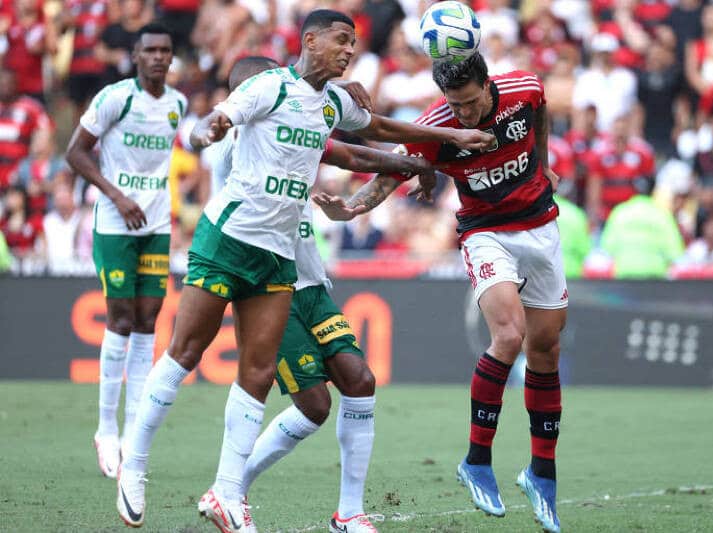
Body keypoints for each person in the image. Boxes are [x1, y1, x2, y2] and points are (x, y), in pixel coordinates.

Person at [115, 10, 493, 531]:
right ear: (309, 41)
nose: (350, 50)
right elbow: (222, 115)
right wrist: (208, 129)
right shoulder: (268, 88)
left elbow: (376, 130)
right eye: (341, 40)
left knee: (258, 373)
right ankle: (133, 464)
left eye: (355, 43)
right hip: (227, 239)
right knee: (184, 353)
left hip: (278, 255)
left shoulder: (330, 102)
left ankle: (229, 493)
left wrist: (446, 142)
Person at [315, 52, 566, 532]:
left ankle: (541, 473)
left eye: (470, 103)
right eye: (456, 104)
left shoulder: (523, 88)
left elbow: (540, 110)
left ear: (488, 85)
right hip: (485, 231)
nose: (464, 114)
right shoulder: (437, 126)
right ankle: (476, 460)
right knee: (509, 338)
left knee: (546, 350)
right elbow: (392, 174)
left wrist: (544, 165)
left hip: (541, 226)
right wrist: (351, 208)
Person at [218, 55, 434, 533]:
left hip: (312, 282)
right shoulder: (240, 144)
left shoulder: (295, 120)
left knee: (359, 380)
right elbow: (350, 155)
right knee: (314, 405)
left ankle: (349, 514)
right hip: (270, 287)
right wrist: (411, 160)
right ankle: (229, 487)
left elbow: (328, 136)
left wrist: (330, 98)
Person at [65, 22, 186, 480]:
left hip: (155, 224)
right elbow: (74, 153)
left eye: (165, 50)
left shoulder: (177, 104)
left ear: (171, 57)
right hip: (116, 222)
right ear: (136, 55)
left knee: (148, 318)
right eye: (150, 50)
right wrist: (116, 196)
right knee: (118, 318)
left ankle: (135, 426)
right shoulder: (116, 97)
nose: (158, 57)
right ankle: (105, 430)